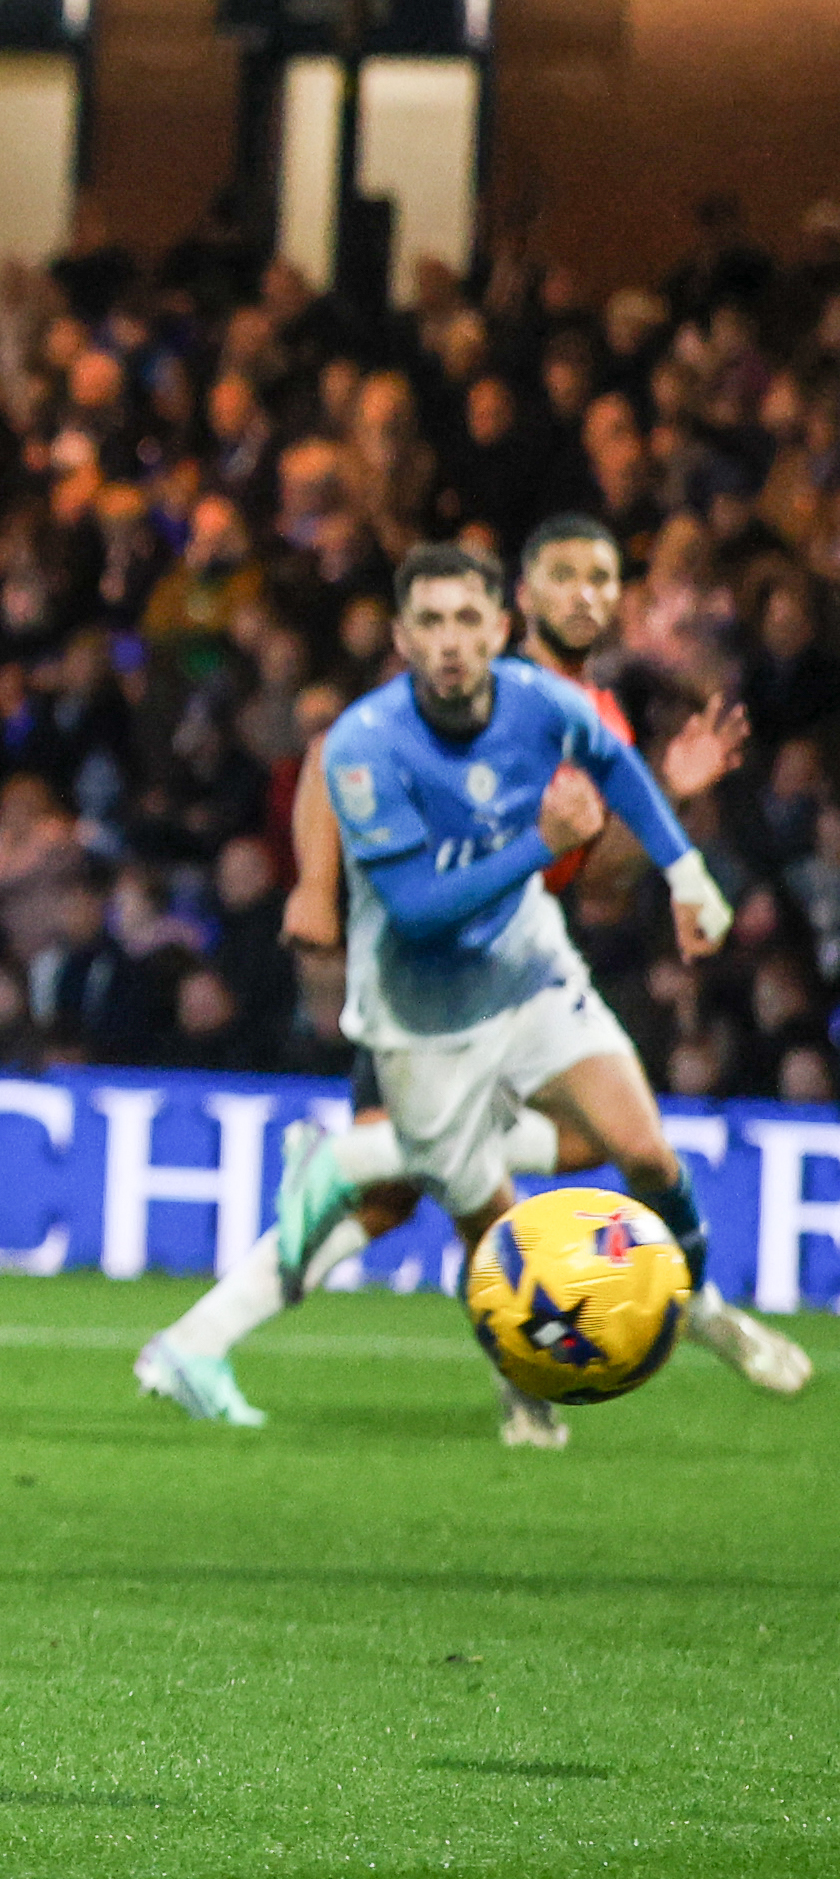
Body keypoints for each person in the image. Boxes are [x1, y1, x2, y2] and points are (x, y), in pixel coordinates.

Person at [161, 516, 810, 1419]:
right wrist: (313, 881)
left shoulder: (575, 708)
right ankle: (508, 1370)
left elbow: (600, 845)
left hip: (525, 957)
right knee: (475, 1219)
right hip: (420, 999)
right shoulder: (396, 720)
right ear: (525, 601)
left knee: (630, 1148)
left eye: (602, 575)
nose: (585, 593)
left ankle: (682, 1310)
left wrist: (680, 848)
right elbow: (393, 856)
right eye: (563, 575)